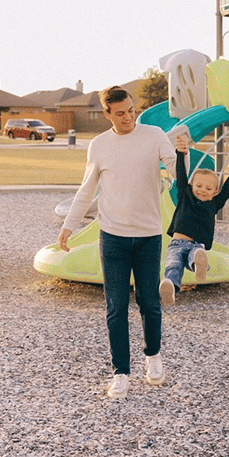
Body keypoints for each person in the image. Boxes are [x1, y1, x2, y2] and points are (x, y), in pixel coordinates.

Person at [57, 86, 178, 400]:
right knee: (115, 308)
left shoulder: (154, 136)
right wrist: (69, 225)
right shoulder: (99, 145)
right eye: (121, 113)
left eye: (131, 110)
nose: (128, 117)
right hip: (113, 238)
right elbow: (87, 191)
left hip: (149, 235)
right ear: (107, 114)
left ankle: (153, 358)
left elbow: (176, 168)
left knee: (149, 302)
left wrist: (181, 156)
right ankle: (120, 373)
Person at [159, 133, 229, 305]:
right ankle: (170, 287)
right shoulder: (185, 196)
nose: (203, 190)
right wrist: (180, 153)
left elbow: (226, 192)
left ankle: (199, 263)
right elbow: (181, 175)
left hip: (196, 245)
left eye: (209, 188)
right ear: (191, 186)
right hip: (176, 245)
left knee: (193, 256)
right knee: (173, 266)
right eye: (199, 186)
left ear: (214, 192)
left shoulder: (214, 204)